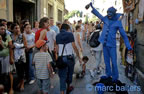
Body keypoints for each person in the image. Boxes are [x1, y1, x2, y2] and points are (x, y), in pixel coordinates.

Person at [89, 3, 132, 82]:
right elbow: (98, 14)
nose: (108, 15)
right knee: (106, 62)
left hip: (112, 46)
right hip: (104, 45)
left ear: (114, 14)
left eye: (110, 13)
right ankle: (108, 74)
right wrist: (92, 8)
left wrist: (128, 45)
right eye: (107, 13)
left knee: (114, 63)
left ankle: (115, 77)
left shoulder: (118, 22)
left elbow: (124, 35)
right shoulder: (105, 19)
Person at [56, 24, 82, 94]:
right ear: (67, 28)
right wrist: (79, 56)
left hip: (61, 58)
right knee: (70, 73)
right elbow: (74, 46)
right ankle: (68, 88)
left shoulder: (57, 35)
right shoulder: (70, 34)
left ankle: (62, 92)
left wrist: (57, 57)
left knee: (62, 76)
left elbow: (57, 48)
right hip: (70, 57)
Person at [11, 23, 27, 91]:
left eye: (18, 28)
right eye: (16, 28)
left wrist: (17, 45)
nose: (17, 29)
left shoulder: (22, 35)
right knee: (17, 70)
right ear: (12, 29)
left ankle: (22, 83)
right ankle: (20, 82)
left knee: (22, 70)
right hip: (14, 55)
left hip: (21, 55)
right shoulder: (10, 36)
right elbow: (10, 46)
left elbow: (25, 45)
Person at [0, 23, 15, 94]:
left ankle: (11, 88)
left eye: (4, 29)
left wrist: (11, 58)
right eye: (1, 29)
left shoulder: (8, 36)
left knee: (9, 73)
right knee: (1, 74)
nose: (3, 30)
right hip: (0, 58)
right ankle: (3, 89)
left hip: (7, 57)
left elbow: (11, 47)